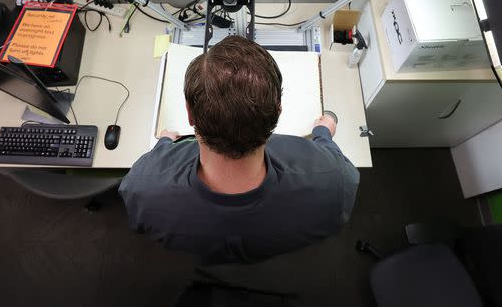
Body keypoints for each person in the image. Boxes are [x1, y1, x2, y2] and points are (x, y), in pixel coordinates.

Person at [118, 36, 360, 264]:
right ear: (278, 112)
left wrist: (164, 143)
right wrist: (323, 133)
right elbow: (335, 164)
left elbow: (139, 220)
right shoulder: (336, 181)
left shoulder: (142, 185)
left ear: (190, 114)